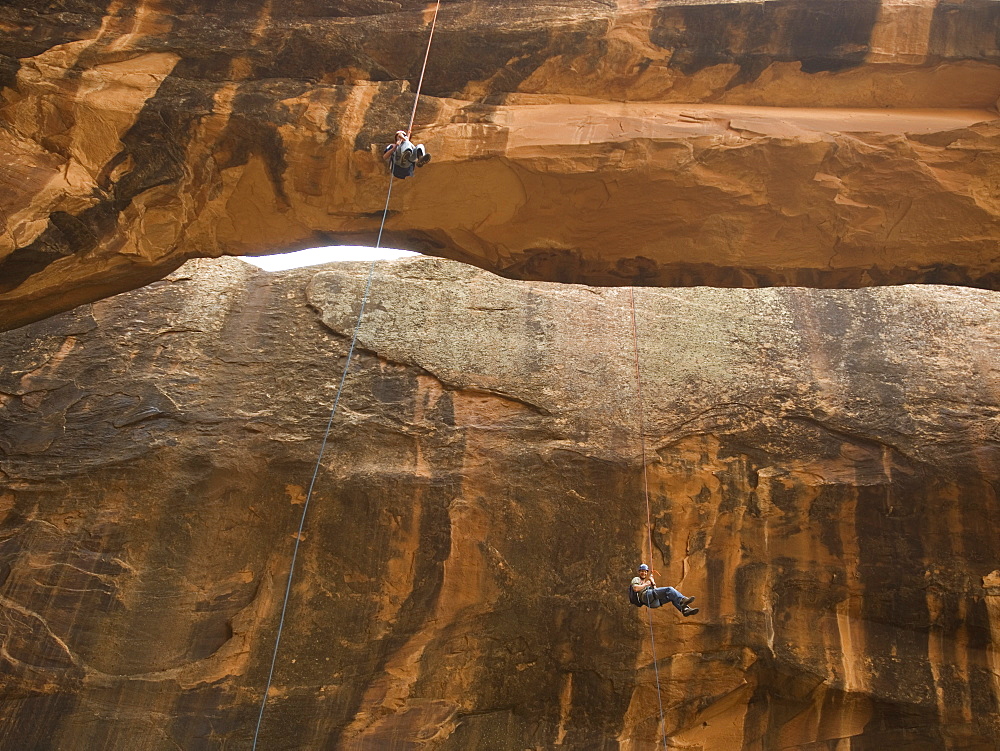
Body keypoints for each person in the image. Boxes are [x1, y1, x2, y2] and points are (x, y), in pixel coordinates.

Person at [630, 564, 699, 616]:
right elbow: (635, 588)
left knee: (672, 596)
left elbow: (655, 591)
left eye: (645, 572)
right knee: (669, 589)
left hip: (655, 602)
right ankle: (682, 599)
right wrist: (646, 584)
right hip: (645, 597)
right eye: (642, 571)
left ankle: (685, 610)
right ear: (639, 572)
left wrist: (653, 583)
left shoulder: (647, 581)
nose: (644, 573)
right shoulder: (636, 579)